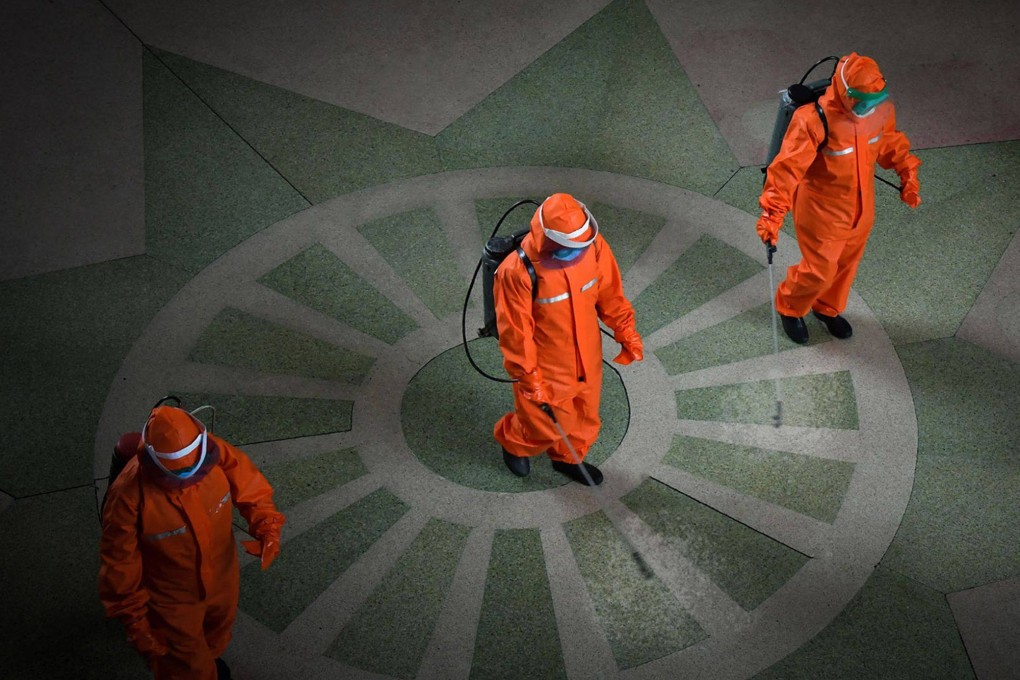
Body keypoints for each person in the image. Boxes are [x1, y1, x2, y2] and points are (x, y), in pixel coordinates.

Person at [99, 403, 285, 680]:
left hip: (223, 580)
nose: (191, 480)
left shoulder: (214, 450)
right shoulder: (127, 497)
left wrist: (267, 527)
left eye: (198, 469)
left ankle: (209, 660)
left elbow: (251, 488)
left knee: (217, 635)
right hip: (172, 600)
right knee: (185, 668)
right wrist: (135, 620)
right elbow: (119, 563)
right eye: (179, 476)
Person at [757, 52, 922, 343]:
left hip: (861, 209)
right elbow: (786, 171)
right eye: (862, 102)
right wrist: (772, 216)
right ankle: (790, 306)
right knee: (819, 270)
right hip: (821, 212)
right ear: (846, 93)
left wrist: (907, 173)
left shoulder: (877, 112)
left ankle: (827, 307)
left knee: (846, 265)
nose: (868, 108)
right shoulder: (813, 121)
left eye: (874, 101)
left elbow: (890, 143)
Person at [492, 193, 643, 485]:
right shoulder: (517, 272)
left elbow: (610, 293)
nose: (576, 252)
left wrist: (626, 331)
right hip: (547, 367)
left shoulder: (593, 246)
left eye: (580, 245)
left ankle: (568, 458)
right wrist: (529, 378)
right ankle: (514, 442)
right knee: (543, 424)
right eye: (568, 247)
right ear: (546, 239)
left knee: (586, 415)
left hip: (588, 354)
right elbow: (516, 334)